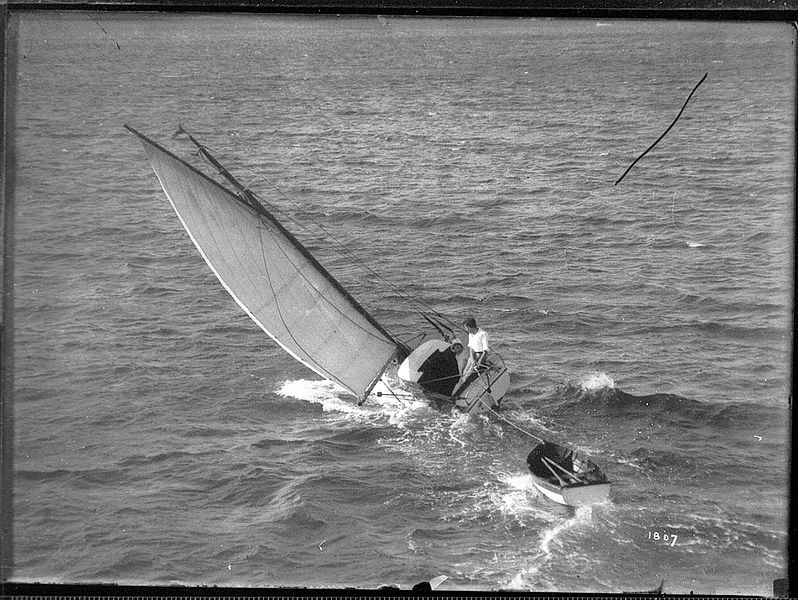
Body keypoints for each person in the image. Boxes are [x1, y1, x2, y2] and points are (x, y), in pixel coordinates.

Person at [450, 317, 490, 399]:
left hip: (480, 357)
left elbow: (485, 351)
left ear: (470, 327)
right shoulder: (471, 335)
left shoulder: (483, 334)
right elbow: (471, 348)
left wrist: (478, 363)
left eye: (466, 327)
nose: (466, 329)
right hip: (473, 358)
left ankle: (456, 395)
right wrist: (473, 360)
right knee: (463, 376)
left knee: (467, 377)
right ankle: (454, 394)